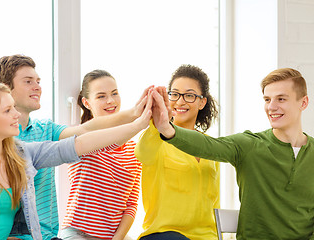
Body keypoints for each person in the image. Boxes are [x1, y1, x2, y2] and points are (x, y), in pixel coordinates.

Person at [0, 82, 152, 240]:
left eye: (14, 107)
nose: (16, 114)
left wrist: (138, 123)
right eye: (7, 111)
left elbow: (80, 143)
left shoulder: (22, 155)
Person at [152, 68, 314, 240]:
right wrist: (166, 129)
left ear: (303, 103)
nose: (271, 107)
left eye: (281, 99)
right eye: (267, 99)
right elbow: (209, 145)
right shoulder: (250, 145)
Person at [134, 65, 220, 240]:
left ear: (202, 102)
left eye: (189, 95)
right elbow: (142, 154)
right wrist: (157, 124)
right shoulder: (156, 137)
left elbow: (214, 202)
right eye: (175, 94)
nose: (180, 102)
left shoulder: (210, 146)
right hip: (164, 234)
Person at [60, 70, 142, 240]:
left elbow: (131, 205)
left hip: (114, 237)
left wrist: (117, 238)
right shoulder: (80, 140)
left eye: (114, 93)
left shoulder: (134, 150)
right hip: (78, 233)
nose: (110, 101)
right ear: (86, 103)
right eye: (101, 96)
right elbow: (104, 140)